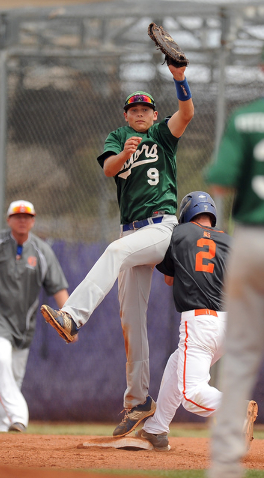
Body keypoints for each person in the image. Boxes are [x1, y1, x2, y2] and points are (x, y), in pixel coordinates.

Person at [41, 62, 194, 437]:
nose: (140, 114)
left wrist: (179, 77)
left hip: (161, 227)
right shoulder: (118, 137)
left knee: (113, 252)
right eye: (134, 110)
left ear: (155, 114)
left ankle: (73, 317)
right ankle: (138, 402)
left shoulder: (163, 133)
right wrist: (125, 153)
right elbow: (110, 170)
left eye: (145, 109)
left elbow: (187, 112)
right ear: (126, 115)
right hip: (131, 234)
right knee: (131, 322)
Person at [134, 191, 232, 451]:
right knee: (177, 364)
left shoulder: (180, 233)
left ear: (186, 214)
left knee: (192, 395)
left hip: (200, 322)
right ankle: (156, 430)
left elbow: (168, 278)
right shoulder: (229, 241)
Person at [204, 93, 264, 477]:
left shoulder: (245, 118)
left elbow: (220, 183)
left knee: (240, 353)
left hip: (253, 238)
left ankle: (225, 465)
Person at [0, 200, 69, 432]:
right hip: (1, 322)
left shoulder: (42, 251)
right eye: (17, 216)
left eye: (27, 216)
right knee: (1, 361)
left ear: (33, 221)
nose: (22, 220)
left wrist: (70, 321)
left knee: (13, 379)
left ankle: (5, 430)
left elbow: (57, 287)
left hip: (24, 326)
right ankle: (19, 416)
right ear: (8, 220)